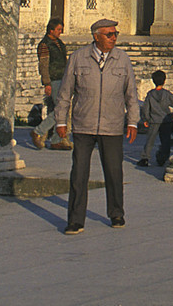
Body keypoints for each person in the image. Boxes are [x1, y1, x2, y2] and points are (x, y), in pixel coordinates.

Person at [53, 18, 139, 234]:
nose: (114, 38)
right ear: (96, 36)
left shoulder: (123, 59)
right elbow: (65, 93)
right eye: (109, 34)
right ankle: (75, 219)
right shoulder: (78, 58)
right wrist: (61, 121)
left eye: (115, 34)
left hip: (112, 124)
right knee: (79, 173)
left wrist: (133, 122)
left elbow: (131, 94)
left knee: (113, 171)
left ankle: (116, 213)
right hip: (84, 124)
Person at [31, 19, 69, 150]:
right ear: (51, 30)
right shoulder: (45, 45)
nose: (60, 32)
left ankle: (56, 140)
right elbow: (43, 65)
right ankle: (39, 131)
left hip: (62, 78)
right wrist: (47, 83)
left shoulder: (58, 43)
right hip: (54, 79)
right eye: (58, 29)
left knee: (57, 109)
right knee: (61, 109)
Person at [136, 70, 173, 167]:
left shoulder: (150, 94)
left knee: (150, 140)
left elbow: (146, 108)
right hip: (165, 120)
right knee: (166, 141)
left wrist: (145, 119)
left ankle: (145, 158)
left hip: (154, 120)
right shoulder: (167, 94)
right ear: (164, 81)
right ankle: (163, 158)